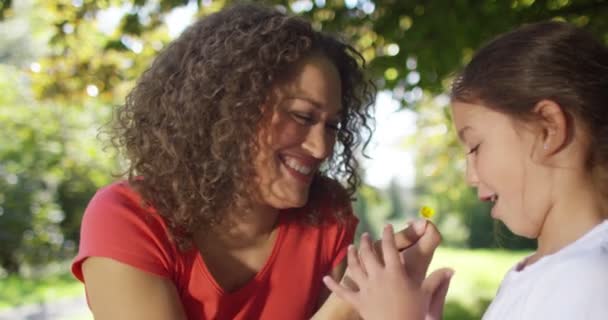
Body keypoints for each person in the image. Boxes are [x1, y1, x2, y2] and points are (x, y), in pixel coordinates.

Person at [71, 4, 445, 320]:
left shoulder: (327, 216)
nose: (321, 148)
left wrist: (379, 295)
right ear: (228, 112)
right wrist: (344, 303)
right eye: (302, 117)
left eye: (332, 125)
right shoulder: (127, 218)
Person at [324, 21, 608, 319]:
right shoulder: (550, 272)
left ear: (547, 129)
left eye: (474, 147)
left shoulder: (587, 277)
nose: (470, 176)